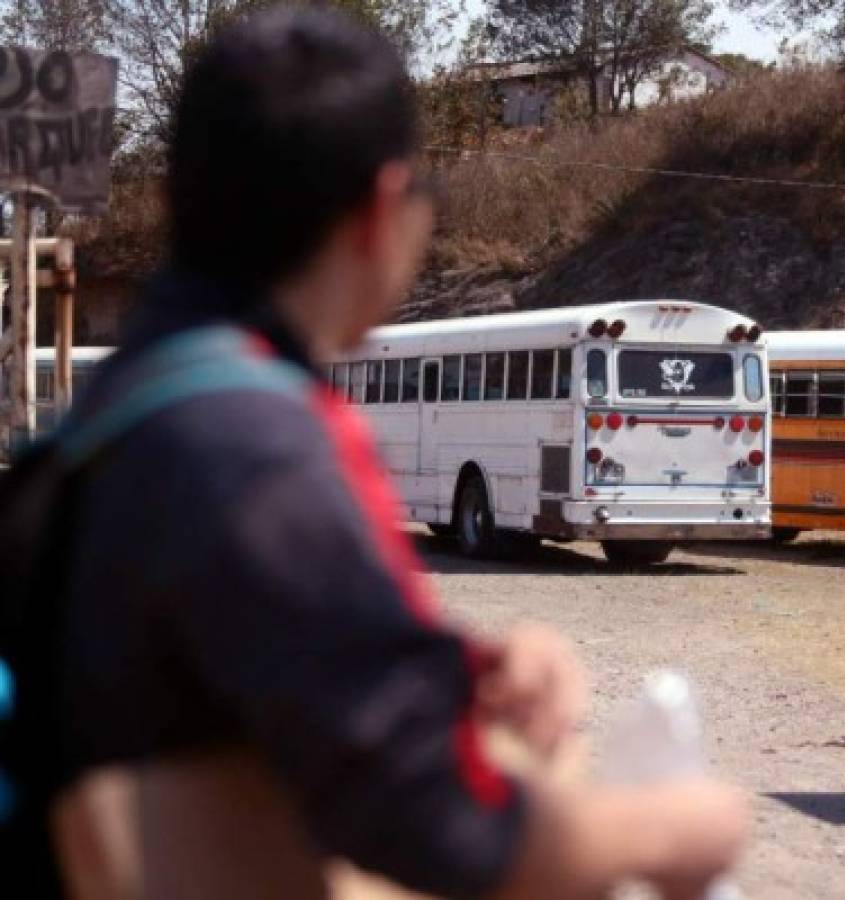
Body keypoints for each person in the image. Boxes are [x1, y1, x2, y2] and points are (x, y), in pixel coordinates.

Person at [48, 7, 746, 899]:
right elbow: (432, 819)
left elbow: (246, 652)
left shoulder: (132, 402)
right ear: (383, 211)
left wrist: (458, 667)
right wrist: (672, 828)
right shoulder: (258, 445)